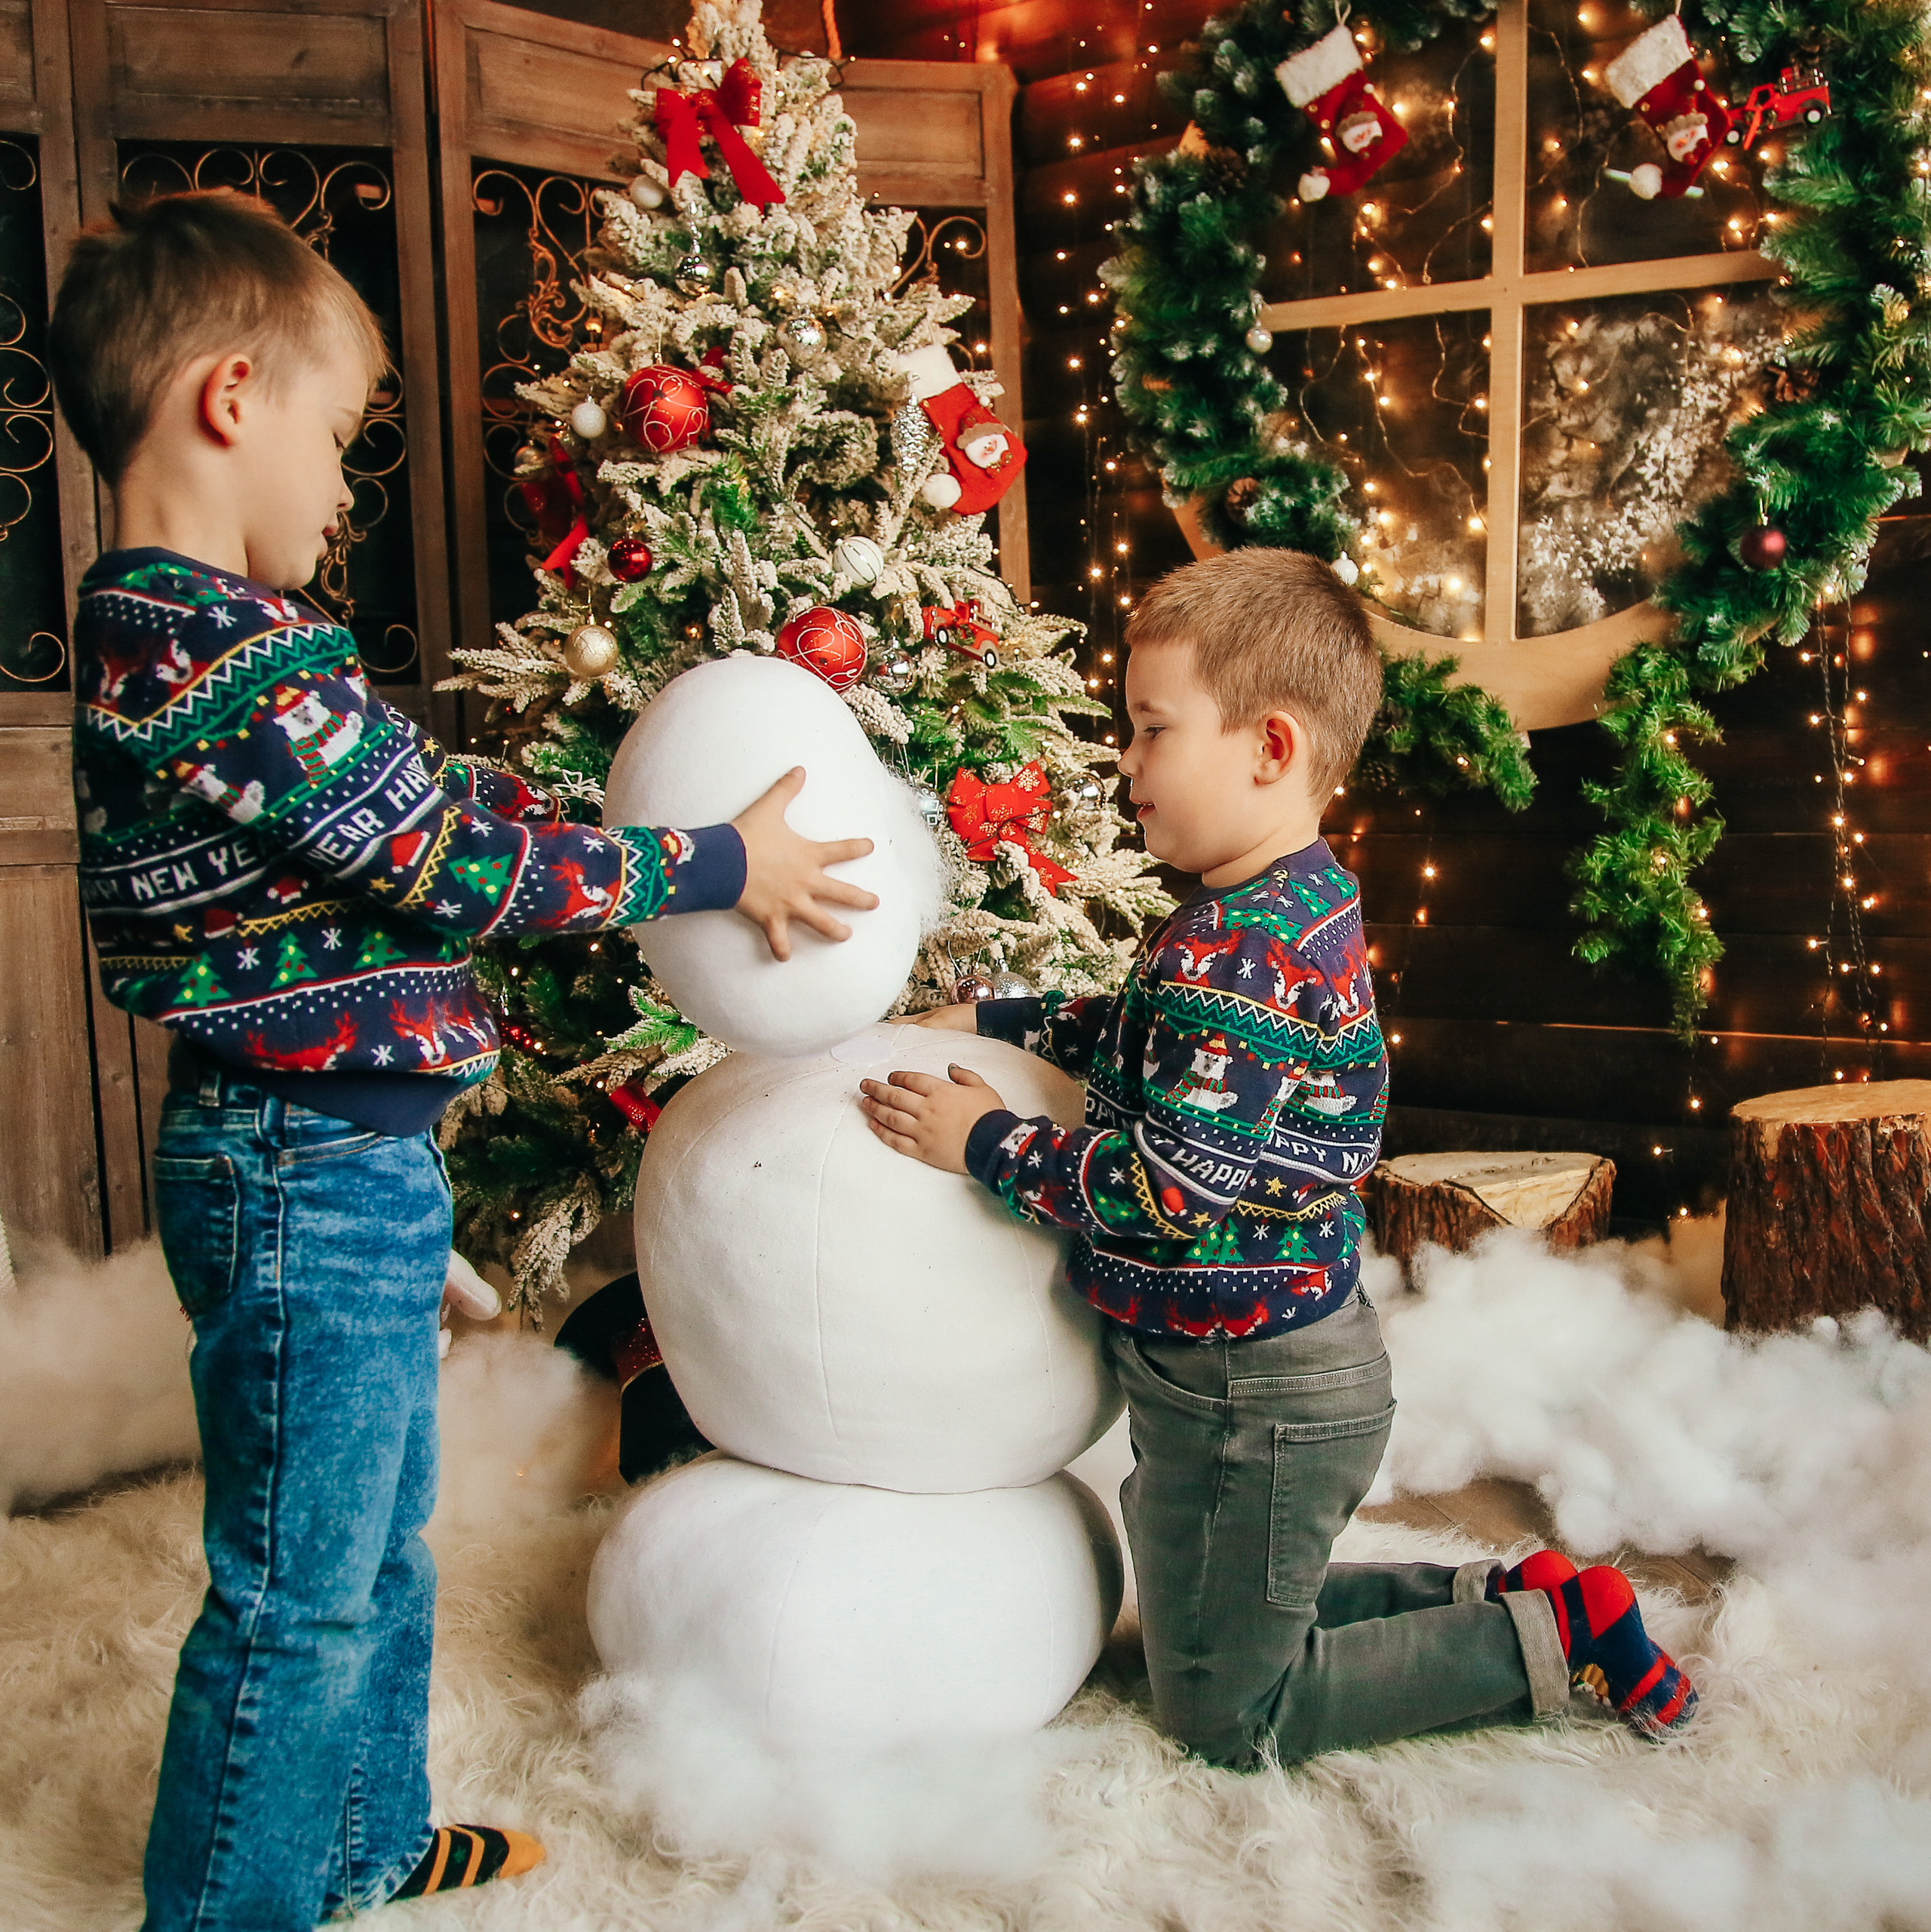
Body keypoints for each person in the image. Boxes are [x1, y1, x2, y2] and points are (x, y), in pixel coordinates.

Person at [48, 189, 877, 1930]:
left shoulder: (211, 654)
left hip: (327, 1160)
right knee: (295, 1587)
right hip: (298, 1168)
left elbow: (417, 821)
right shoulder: (217, 660)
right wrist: (716, 862)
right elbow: (456, 865)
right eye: (340, 441)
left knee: (377, 1541)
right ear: (229, 400)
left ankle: (359, 1837)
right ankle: (229, 1909)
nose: (345, 491)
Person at [859, 547, 1697, 1767]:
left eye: (1153, 731)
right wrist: (998, 1019)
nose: (1129, 764)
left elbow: (1170, 1184)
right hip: (1250, 1369)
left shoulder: (1239, 952)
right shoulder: (1265, 910)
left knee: (1228, 1709)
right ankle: (1526, 1598)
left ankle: (1545, 1646)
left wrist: (984, 1140)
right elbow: (1142, 1037)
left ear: (1270, 745)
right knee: (1221, 1613)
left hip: (1256, 1387)